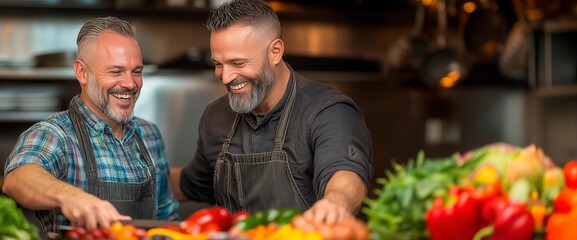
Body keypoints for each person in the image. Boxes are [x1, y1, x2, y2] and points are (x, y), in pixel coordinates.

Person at [172, 0, 373, 224]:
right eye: (218, 64)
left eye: (238, 63)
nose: (226, 77)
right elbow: (192, 183)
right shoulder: (216, 116)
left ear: (275, 51)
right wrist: (132, 177)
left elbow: (345, 175)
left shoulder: (328, 111)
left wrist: (336, 202)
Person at [2, 16, 179, 232]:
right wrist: (71, 196)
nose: (130, 84)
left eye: (137, 71)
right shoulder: (56, 133)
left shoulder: (149, 134)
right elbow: (17, 178)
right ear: (82, 72)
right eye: (116, 71)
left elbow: (166, 219)